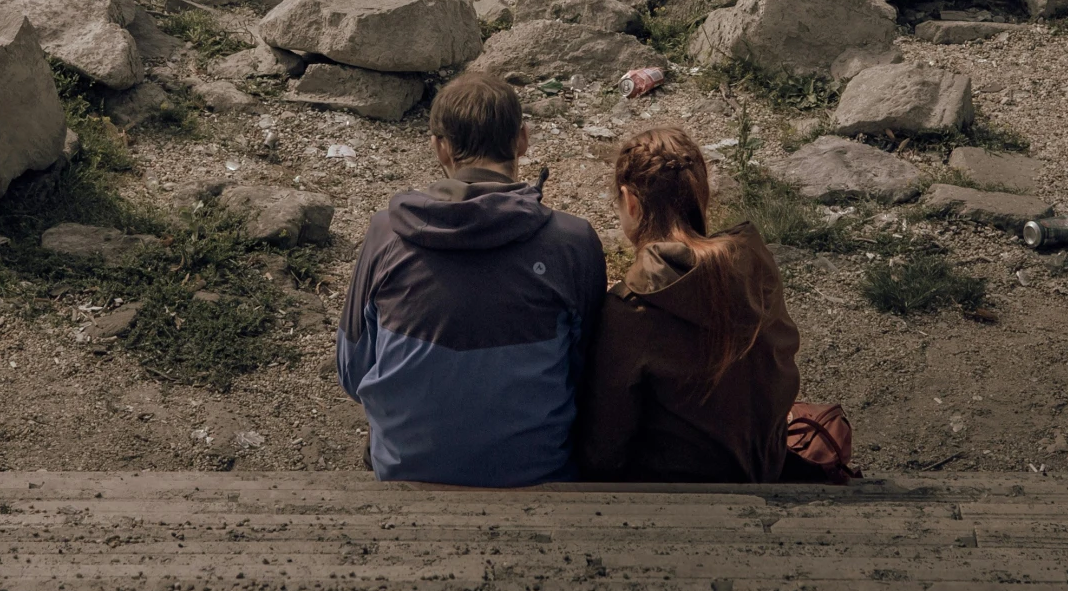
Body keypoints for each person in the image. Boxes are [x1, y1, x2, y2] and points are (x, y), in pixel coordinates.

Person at [337, 70, 606, 485]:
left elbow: (353, 372)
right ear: (522, 139)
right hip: (537, 475)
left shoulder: (386, 233)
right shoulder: (573, 243)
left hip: (407, 472)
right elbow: (587, 373)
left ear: (440, 148)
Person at [574, 126, 801, 482]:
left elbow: (603, 450)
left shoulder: (632, 307)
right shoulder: (754, 264)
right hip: (764, 472)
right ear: (701, 193)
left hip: (677, 497)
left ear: (630, 202)